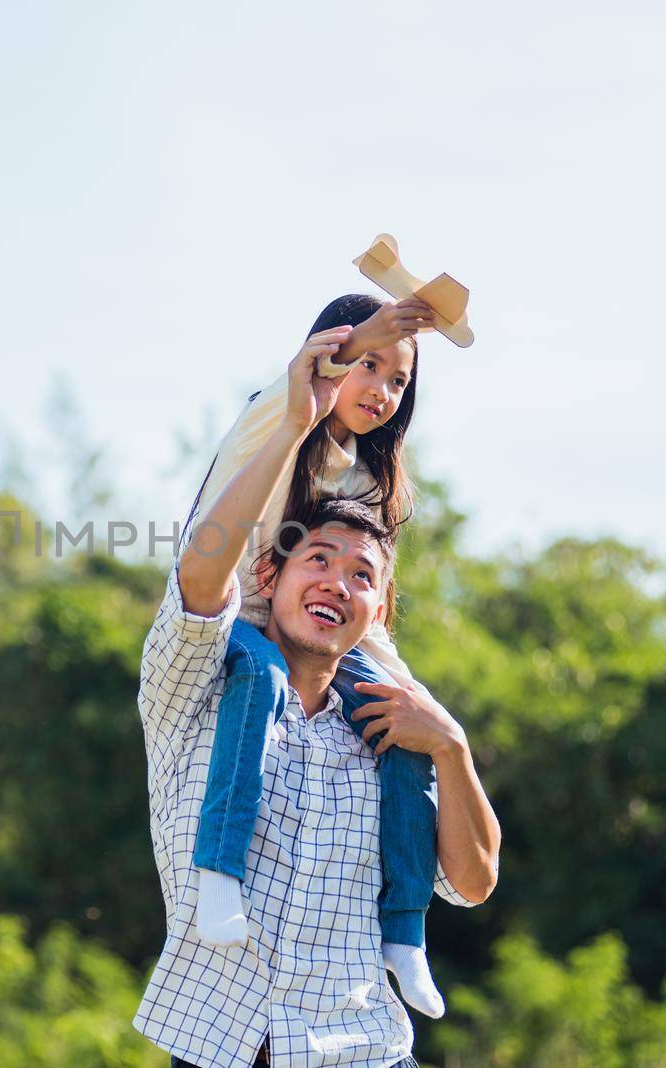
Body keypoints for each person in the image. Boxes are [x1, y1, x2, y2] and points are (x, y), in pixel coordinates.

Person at [132, 325, 501, 1067]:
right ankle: (220, 878)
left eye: (362, 576)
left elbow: (473, 881)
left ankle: (406, 942)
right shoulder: (196, 693)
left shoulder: (385, 730)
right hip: (221, 1044)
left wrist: (450, 745)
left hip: (364, 1051)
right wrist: (298, 414)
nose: (337, 581)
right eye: (318, 560)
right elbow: (203, 572)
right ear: (269, 577)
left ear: (381, 612)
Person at [182, 293, 447, 1016]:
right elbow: (300, 387)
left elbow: (365, 607)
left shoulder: (364, 479)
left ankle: (403, 931)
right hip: (237, 613)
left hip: (320, 624)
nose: (383, 391)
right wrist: (368, 334)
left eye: (399, 381)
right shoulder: (275, 417)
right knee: (262, 677)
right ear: (330, 356)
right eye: (370, 366)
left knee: (402, 722)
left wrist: (409, 692)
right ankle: (218, 873)